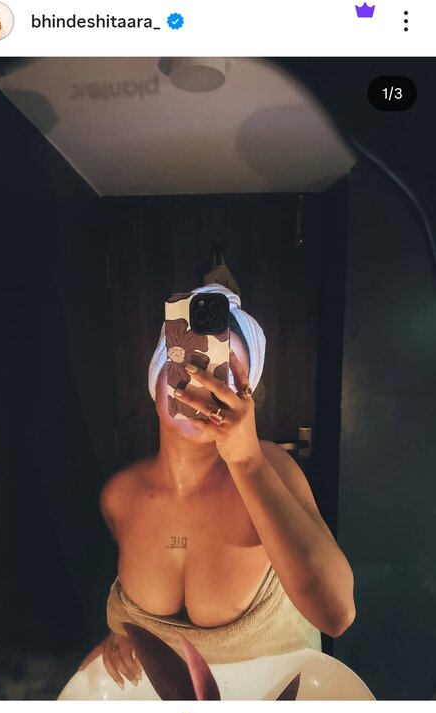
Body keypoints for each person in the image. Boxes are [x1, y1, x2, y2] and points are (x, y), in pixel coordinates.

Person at [80, 285, 355, 691]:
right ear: (158, 374)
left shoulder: (267, 468)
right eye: (188, 363)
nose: (202, 384)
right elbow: (145, 623)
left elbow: (336, 614)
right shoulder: (120, 496)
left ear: (246, 389)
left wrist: (247, 462)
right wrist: (125, 634)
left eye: (220, 372)